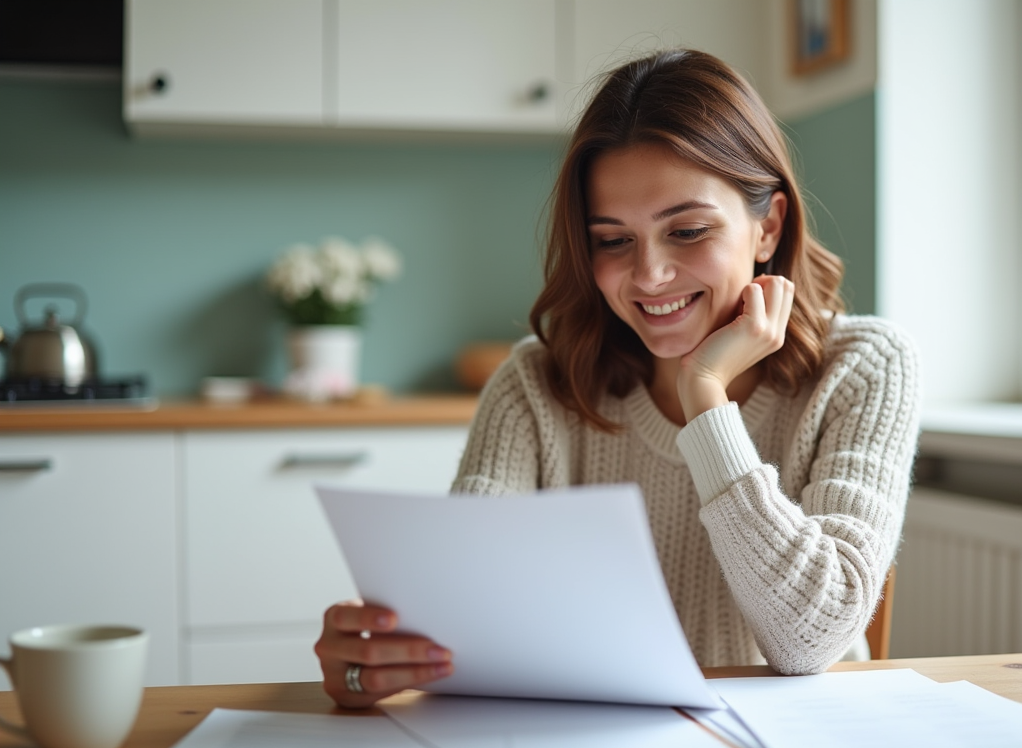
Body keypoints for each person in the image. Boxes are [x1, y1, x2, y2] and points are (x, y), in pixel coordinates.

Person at [316, 48, 920, 709]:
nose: (649, 275)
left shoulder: (863, 366)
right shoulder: (537, 385)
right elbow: (468, 620)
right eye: (612, 240)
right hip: (583, 747)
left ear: (768, 225)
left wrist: (704, 397)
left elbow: (810, 639)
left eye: (687, 230)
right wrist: (372, 664)